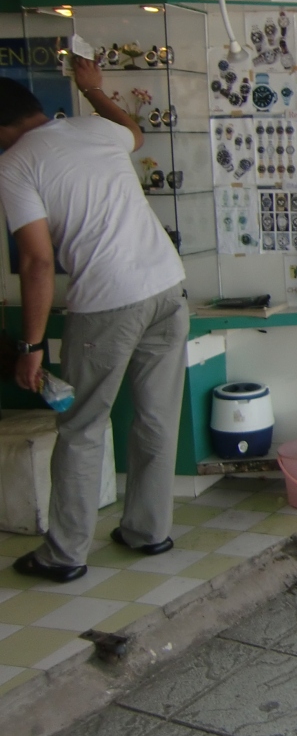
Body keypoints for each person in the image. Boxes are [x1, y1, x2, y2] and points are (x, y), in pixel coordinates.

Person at [0, 60, 188, 583]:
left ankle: (64, 555)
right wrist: (95, 91)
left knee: (82, 427)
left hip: (109, 301)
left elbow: (36, 263)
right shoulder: (92, 128)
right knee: (156, 418)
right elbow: (135, 132)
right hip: (167, 286)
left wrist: (31, 346)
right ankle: (149, 531)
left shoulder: (14, 165)